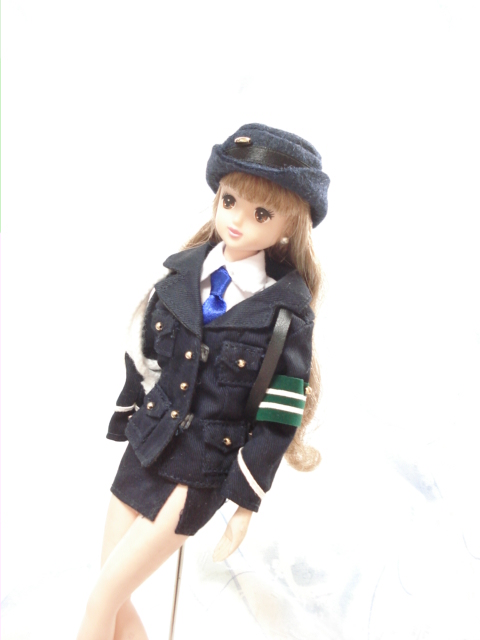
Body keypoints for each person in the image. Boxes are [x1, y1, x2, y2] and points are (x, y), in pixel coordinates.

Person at [76, 123, 330, 640]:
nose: (237, 220)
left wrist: (244, 501)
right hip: (148, 443)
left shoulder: (284, 316)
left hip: (203, 467)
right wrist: (127, 415)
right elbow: (142, 354)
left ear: (288, 227)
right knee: (109, 594)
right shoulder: (176, 278)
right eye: (230, 201)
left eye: (261, 214)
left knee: (102, 600)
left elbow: (277, 418)